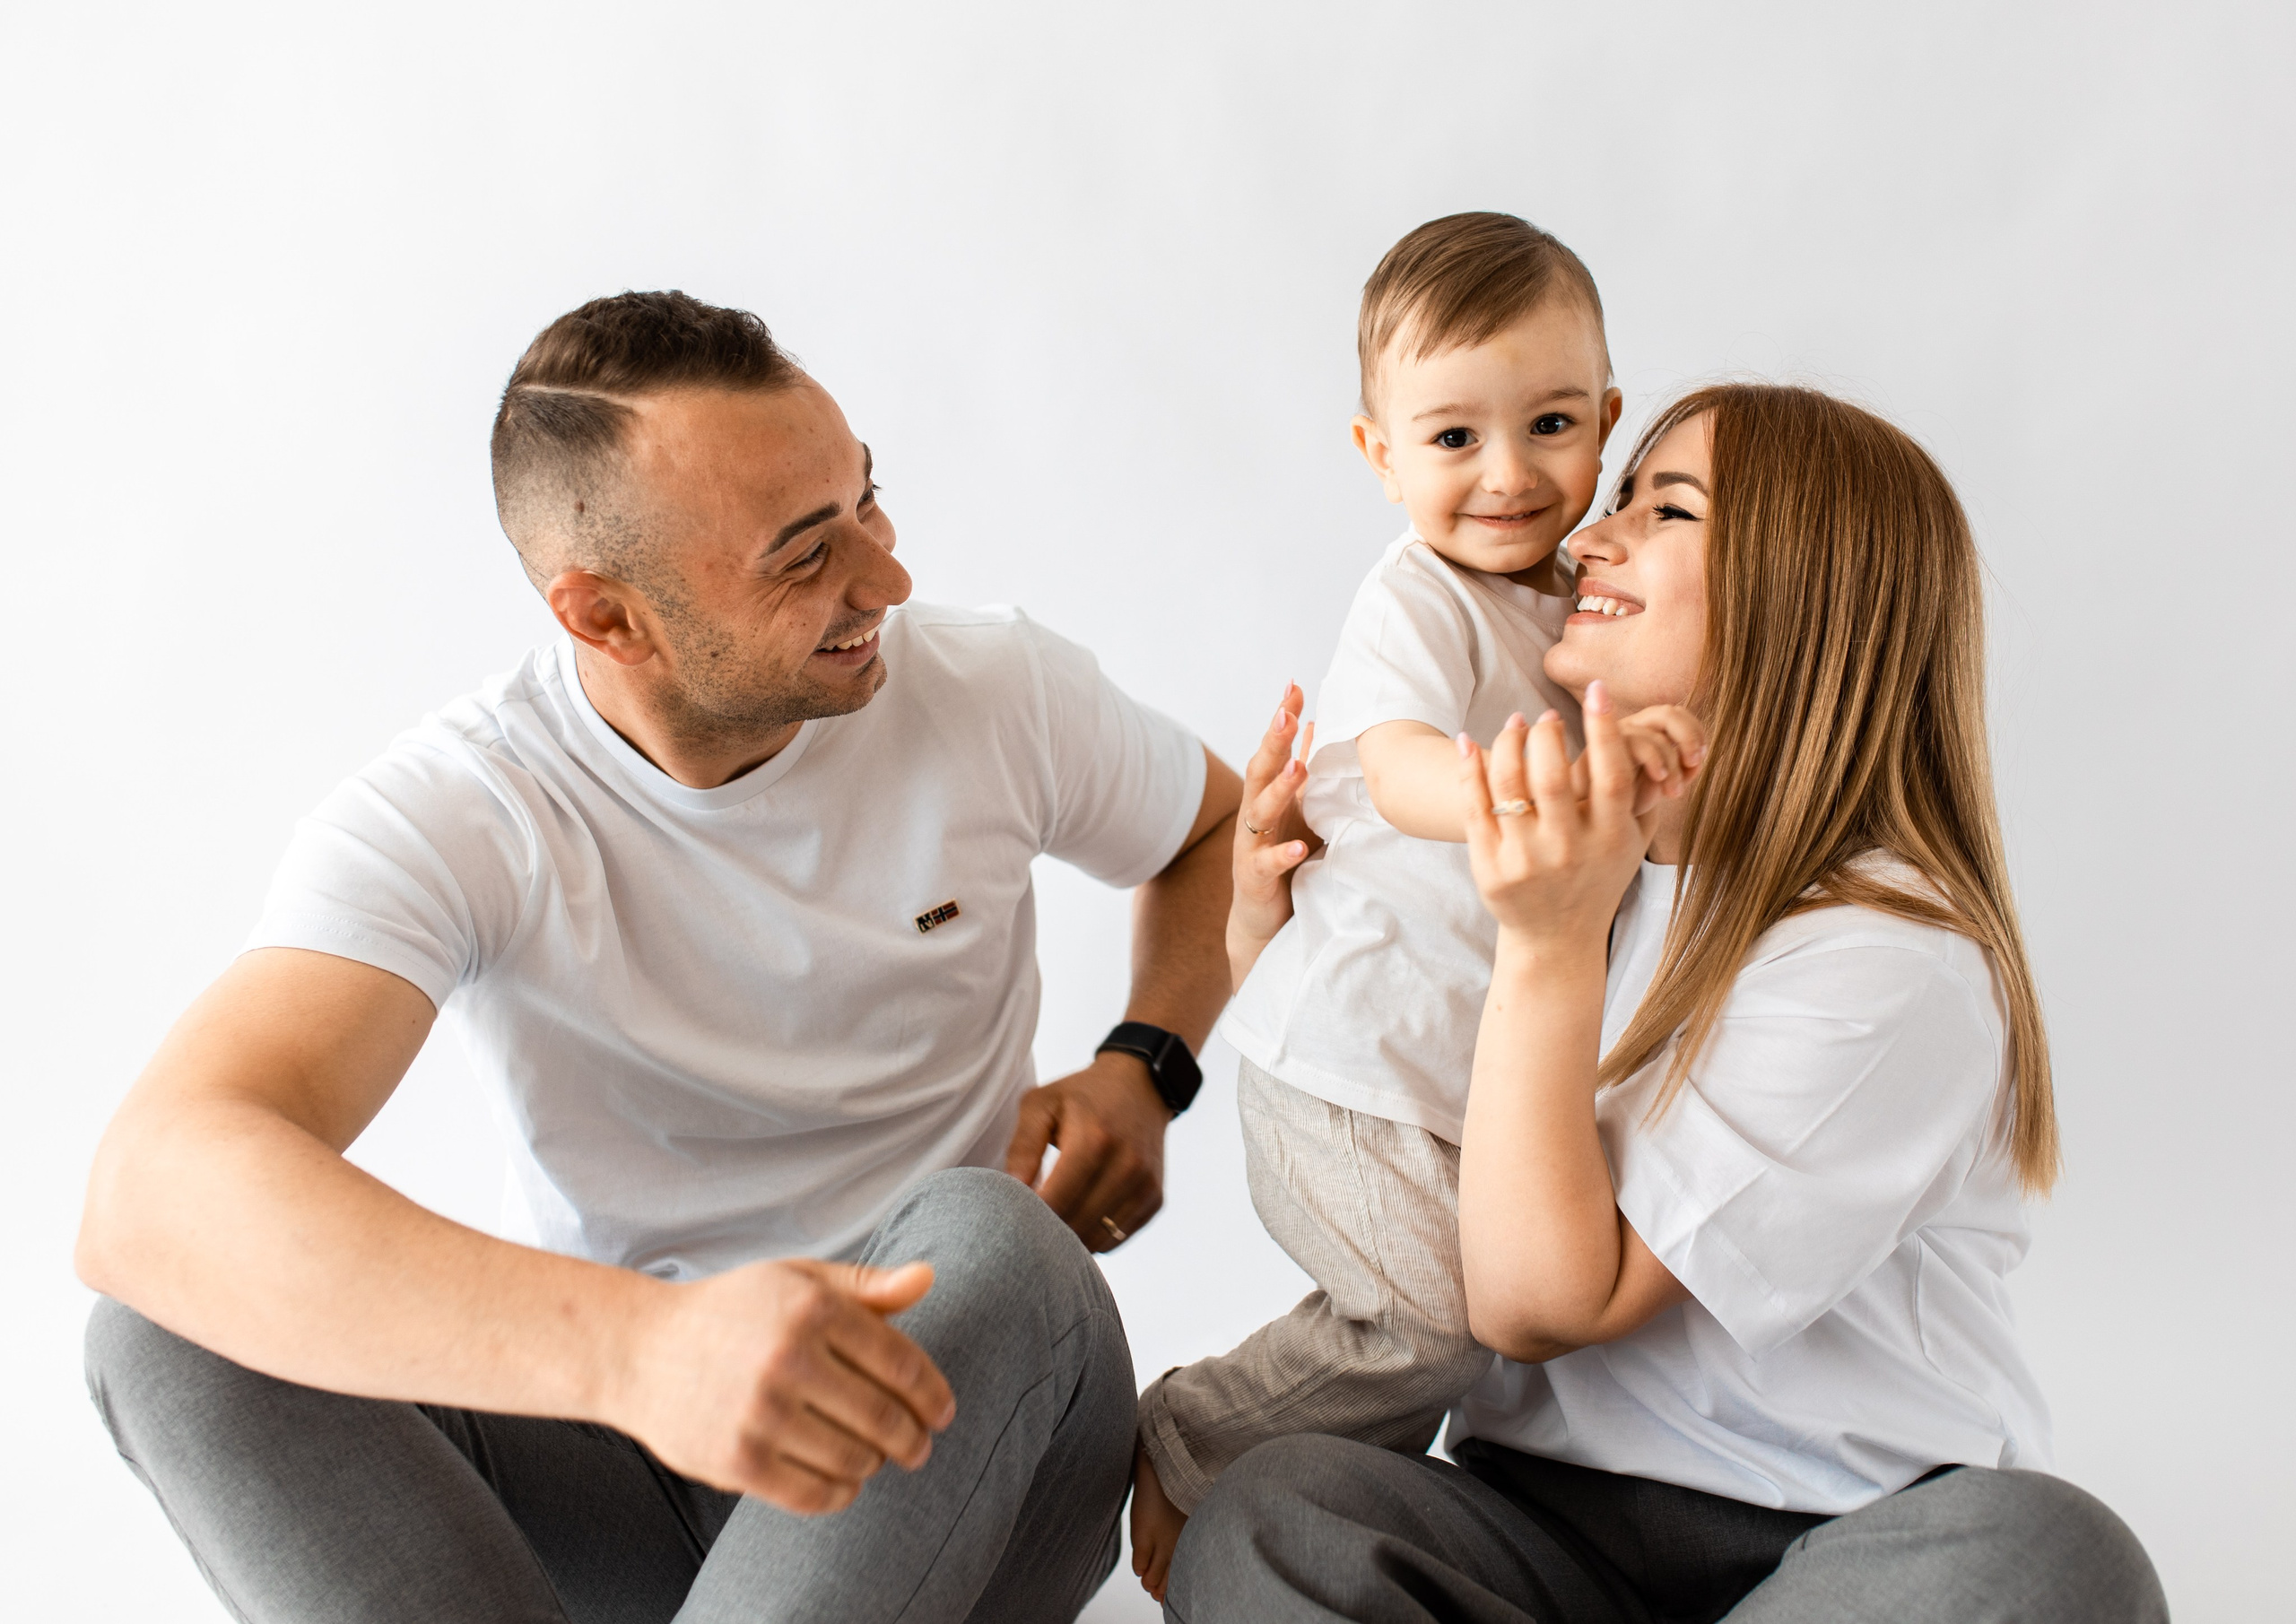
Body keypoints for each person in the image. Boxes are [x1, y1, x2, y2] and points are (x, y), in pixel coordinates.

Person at [74, 290, 1242, 1624]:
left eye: (870, 502)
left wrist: (1145, 1063)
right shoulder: (466, 809)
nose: (887, 579)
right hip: (636, 1466)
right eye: (806, 555)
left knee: (994, 1233)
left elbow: (1217, 825)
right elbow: (149, 1193)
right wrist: (642, 1357)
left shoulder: (994, 691)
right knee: (175, 1331)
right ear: (608, 618)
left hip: (962, 1423)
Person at [1170, 384, 2167, 1621]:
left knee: (2047, 1557)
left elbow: (1539, 1303)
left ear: (1801, 594)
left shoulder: (1888, 955)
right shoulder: (1566, 876)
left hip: (1840, 1543)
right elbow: (1381, 1101)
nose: (1586, 533)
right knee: (1279, 1512)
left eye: (1666, 506)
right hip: (1533, 1533)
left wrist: (1549, 943)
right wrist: (1275, 932)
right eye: (1622, 496)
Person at [1133, 213, 1699, 1595]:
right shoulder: (1419, 600)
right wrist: (1553, 793)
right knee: (1437, 1326)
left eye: (1553, 424)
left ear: (1609, 418)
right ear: (1378, 456)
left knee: (1485, 1327)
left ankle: (1355, 1518)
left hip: (1455, 1081)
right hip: (1341, 1062)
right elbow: (1390, 766)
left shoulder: (1592, 596)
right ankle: (1192, 1438)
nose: (1508, 476)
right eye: (1452, 440)